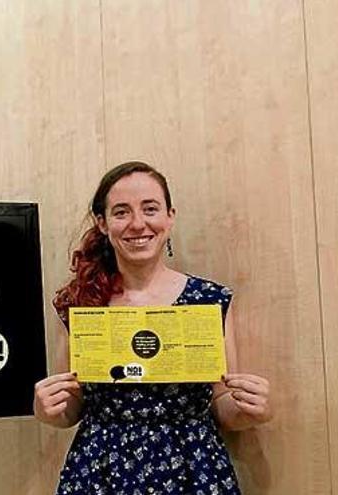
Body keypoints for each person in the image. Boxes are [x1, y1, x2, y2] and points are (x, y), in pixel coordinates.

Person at [34, 161, 272, 494]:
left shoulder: (208, 300)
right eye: (121, 212)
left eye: (150, 209)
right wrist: (46, 409)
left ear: (170, 216)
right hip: (101, 470)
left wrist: (250, 410)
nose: (137, 224)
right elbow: (70, 407)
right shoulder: (82, 303)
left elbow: (222, 405)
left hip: (193, 466)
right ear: (102, 223)